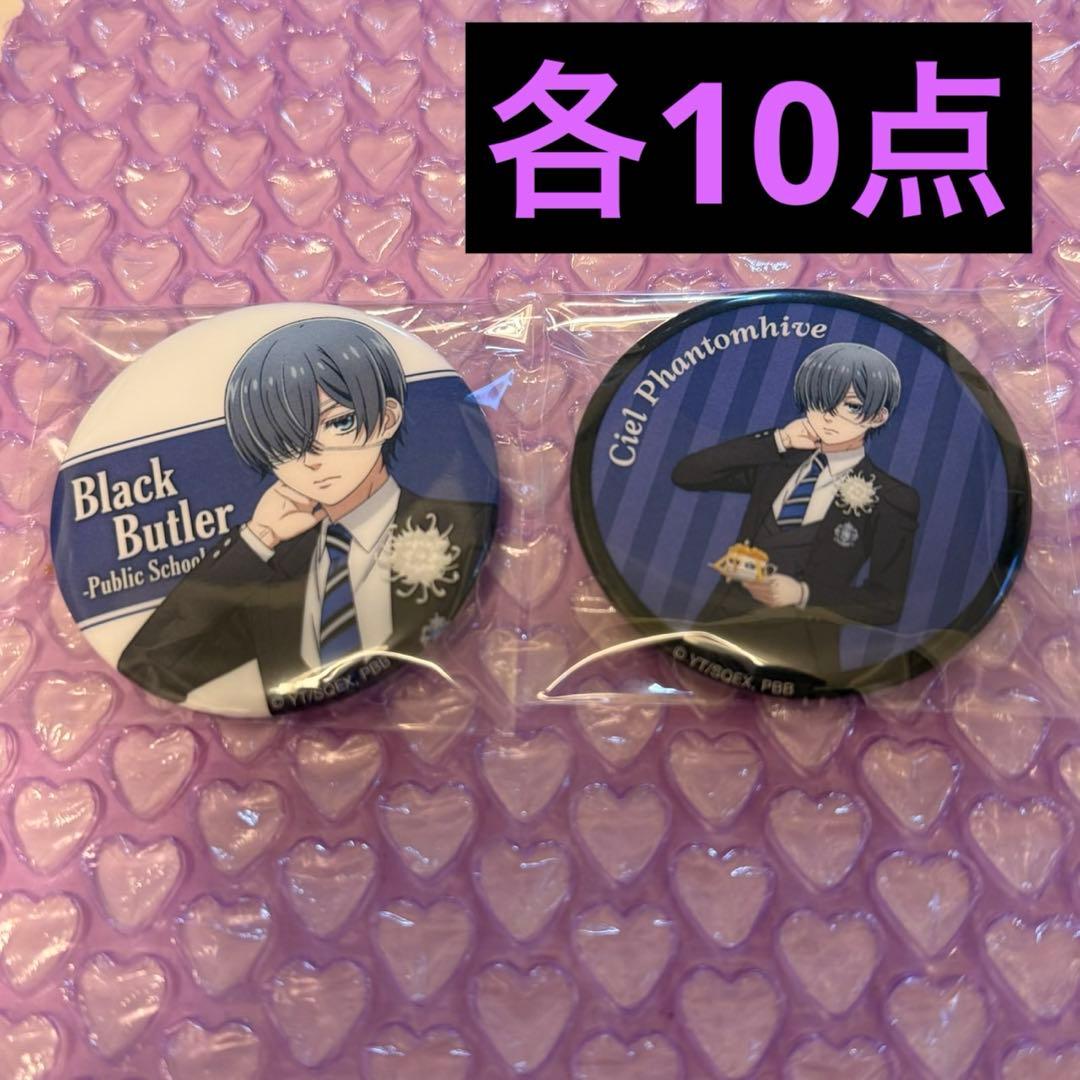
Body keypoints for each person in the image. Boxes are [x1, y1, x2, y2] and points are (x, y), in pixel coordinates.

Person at [119, 317, 494, 710]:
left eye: (338, 422)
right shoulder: (270, 569)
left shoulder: (465, 524)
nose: (311, 459)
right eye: (283, 444)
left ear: (386, 418)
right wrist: (256, 539)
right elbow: (151, 670)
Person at [671, 341, 919, 682]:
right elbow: (687, 474)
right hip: (717, 630)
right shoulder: (777, 461)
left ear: (879, 416)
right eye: (819, 401)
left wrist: (804, 595)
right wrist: (778, 441)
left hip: (802, 652)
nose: (828, 415)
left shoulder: (892, 498)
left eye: (850, 405)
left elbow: (887, 603)